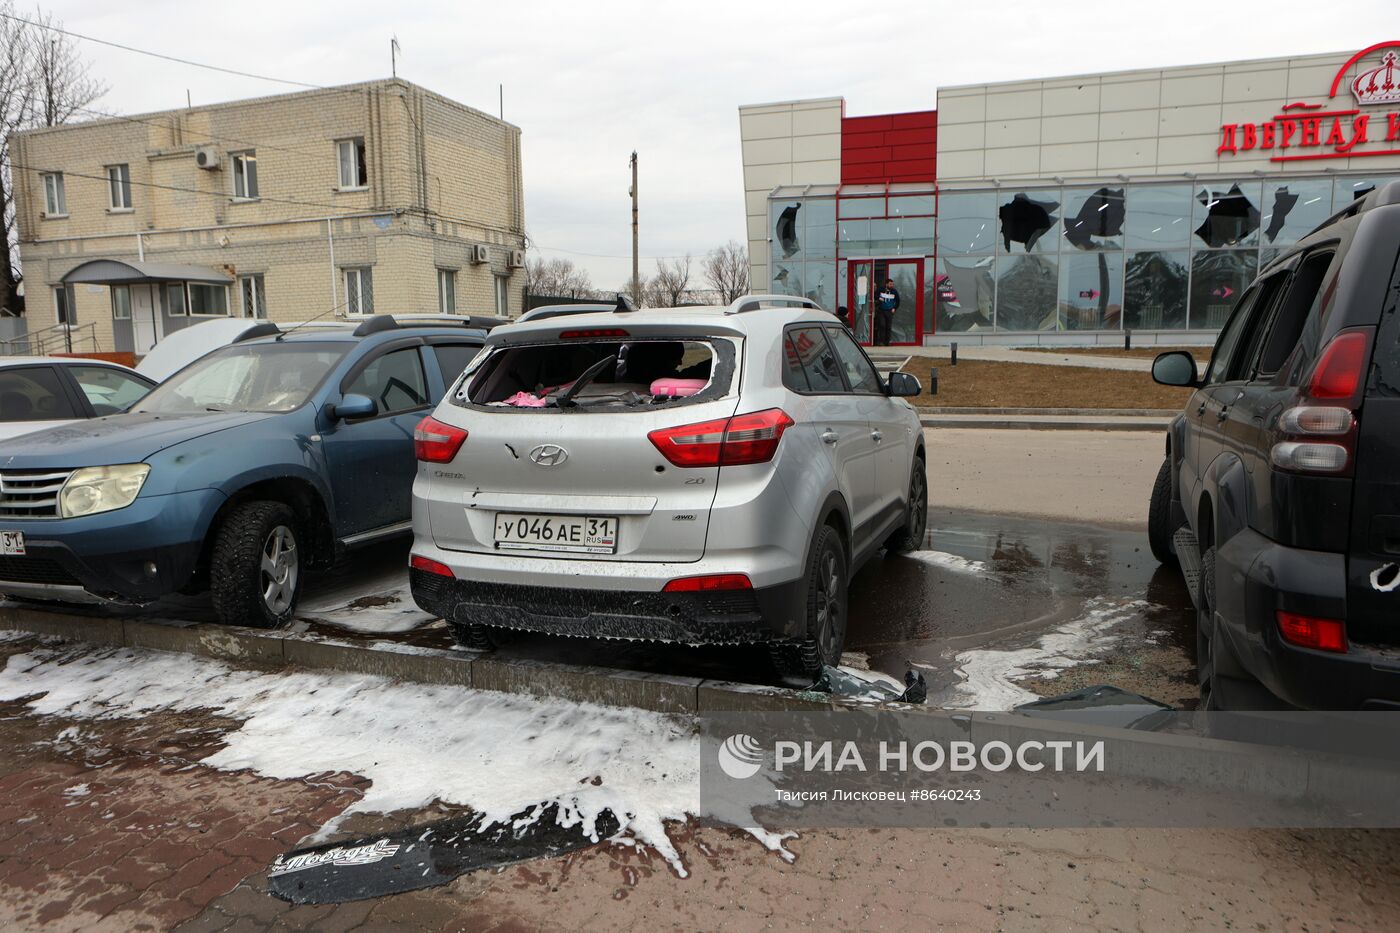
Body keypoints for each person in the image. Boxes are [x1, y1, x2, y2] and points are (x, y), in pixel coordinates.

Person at [874, 279, 900, 346]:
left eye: (892, 284)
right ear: (886, 284)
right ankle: (881, 342)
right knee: (882, 325)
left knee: (888, 327)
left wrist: (894, 308)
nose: (892, 285)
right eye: (890, 284)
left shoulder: (894, 291)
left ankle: (887, 342)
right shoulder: (881, 289)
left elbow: (898, 301)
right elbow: (874, 295)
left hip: (889, 311)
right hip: (881, 310)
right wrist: (879, 298)